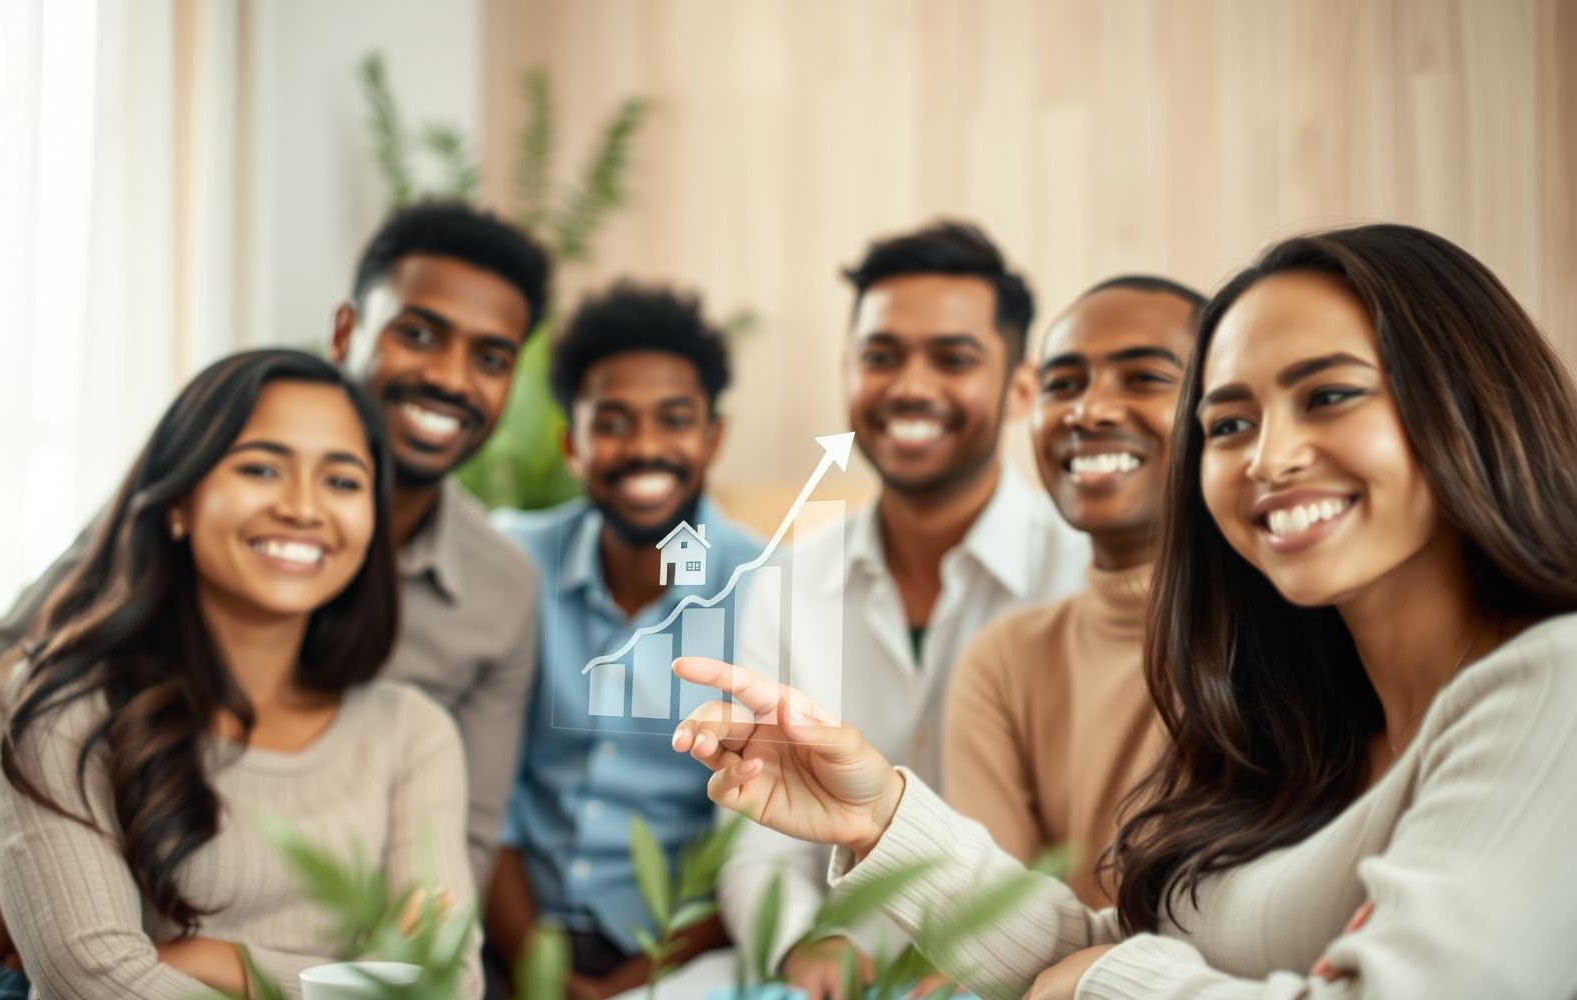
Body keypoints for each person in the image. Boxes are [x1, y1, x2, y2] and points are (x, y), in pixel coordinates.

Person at [672, 223, 1577, 999]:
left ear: (1468, 404)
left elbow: (1110, 974)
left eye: (1329, 395)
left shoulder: (1550, 685)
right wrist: (878, 819)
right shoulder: (1305, 723)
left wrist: (1103, 982)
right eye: (1228, 423)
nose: (1268, 456)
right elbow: (1104, 949)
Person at [0, 200, 546, 999]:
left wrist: (231, 963)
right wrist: (3, 862)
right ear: (347, 331)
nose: (451, 376)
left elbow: (445, 934)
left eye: (490, 356)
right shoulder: (71, 701)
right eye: (417, 332)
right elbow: (3, 678)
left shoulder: (464, 647)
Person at [715, 220, 1089, 1000]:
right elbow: (753, 840)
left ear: (1021, 388)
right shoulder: (786, 578)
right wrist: (800, 950)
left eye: (953, 359)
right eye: (881, 357)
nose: (910, 386)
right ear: (850, 372)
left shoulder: (1084, 576)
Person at [483, 283, 764, 999]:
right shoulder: (511, 560)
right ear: (570, 443)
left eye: (673, 420)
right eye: (613, 422)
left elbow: (758, 841)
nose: (644, 447)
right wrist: (540, 975)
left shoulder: (768, 589)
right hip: (506, 942)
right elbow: (486, 794)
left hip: (683, 962)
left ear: (712, 438)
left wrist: (633, 987)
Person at [943, 275, 1205, 906]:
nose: (1089, 411)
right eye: (1063, 385)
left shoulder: (1290, 634)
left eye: (1143, 377)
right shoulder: (1005, 658)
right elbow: (988, 924)